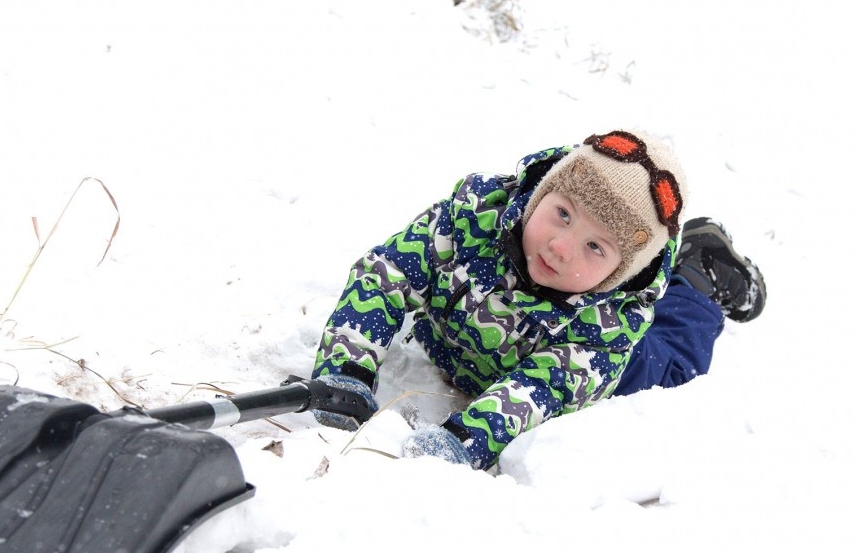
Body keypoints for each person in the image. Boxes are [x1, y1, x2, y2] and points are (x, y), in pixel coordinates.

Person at [310, 130, 766, 469]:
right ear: (541, 193)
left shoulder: (605, 335)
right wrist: (345, 370)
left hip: (596, 349)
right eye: (562, 214)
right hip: (467, 344)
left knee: (674, 363)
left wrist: (463, 440)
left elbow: (534, 392)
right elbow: (385, 275)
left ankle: (697, 275)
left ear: (618, 276)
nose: (561, 247)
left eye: (595, 247)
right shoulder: (471, 220)